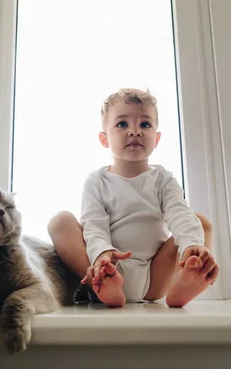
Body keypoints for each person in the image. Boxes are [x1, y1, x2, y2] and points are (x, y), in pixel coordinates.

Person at [47, 88, 219, 307]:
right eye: (122, 124)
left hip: (155, 274)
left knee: (199, 224)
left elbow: (179, 214)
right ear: (104, 139)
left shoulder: (163, 179)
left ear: (156, 139)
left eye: (145, 124)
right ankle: (101, 284)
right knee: (60, 222)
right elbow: (94, 226)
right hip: (109, 268)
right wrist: (102, 254)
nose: (135, 131)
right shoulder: (96, 181)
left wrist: (191, 246)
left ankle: (182, 283)